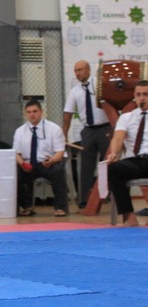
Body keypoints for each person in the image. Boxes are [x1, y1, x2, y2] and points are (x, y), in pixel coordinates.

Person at [62, 60, 111, 209]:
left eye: (80, 70)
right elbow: (67, 113)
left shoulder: (99, 84)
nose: (77, 73)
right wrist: (64, 134)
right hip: (88, 131)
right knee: (86, 166)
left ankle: (110, 195)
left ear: (88, 70)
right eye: (75, 70)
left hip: (105, 129)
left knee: (108, 163)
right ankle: (84, 200)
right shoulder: (74, 91)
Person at [14, 99, 68, 217]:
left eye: (35, 111)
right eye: (29, 112)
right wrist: (22, 163)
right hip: (28, 165)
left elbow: (60, 152)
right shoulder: (20, 131)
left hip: (47, 164)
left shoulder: (54, 129)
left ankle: (60, 207)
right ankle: (27, 206)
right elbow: (16, 153)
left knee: (58, 170)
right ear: (25, 113)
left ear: (41, 112)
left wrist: (52, 160)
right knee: (14, 174)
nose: (32, 115)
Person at [106, 80, 148, 227]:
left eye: (146, 94)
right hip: (135, 161)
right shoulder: (126, 117)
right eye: (139, 95)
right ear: (134, 97)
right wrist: (114, 153)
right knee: (113, 169)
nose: (142, 98)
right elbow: (118, 138)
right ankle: (129, 216)